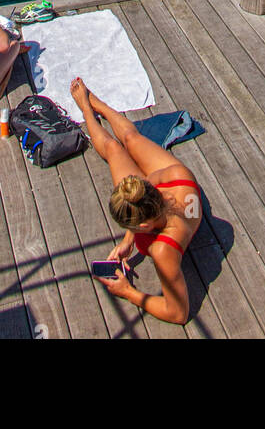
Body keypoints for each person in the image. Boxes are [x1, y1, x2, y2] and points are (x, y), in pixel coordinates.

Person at [70, 78, 202, 325]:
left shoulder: (163, 250)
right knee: (130, 139)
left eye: (129, 228)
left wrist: (128, 292)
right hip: (180, 185)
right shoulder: (158, 184)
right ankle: (98, 107)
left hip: (178, 200)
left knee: (114, 150)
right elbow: (149, 180)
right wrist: (128, 240)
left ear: (143, 226)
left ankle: (88, 109)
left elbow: (178, 313)